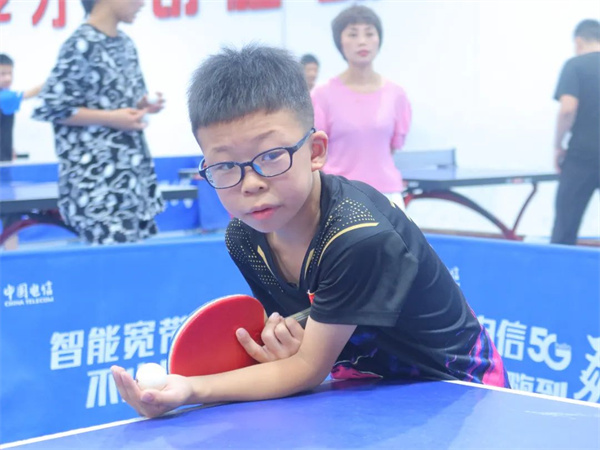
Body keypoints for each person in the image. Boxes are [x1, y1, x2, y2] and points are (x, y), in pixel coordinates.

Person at [111, 44, 509, 419]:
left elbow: (306, 368)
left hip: (456, 387)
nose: (250, 183)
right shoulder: (245, 238)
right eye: (226, 166)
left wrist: (190, 389)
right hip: (365, 389)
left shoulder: (357, 237)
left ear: (315, 151)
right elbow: (300, 349)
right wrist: (287, 345)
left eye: (271, 156)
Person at [31, 0, 165, 244]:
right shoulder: (79, 44)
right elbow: (52, 106)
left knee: (137, 261)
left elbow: (123, 104)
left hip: (132, 181)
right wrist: (112, 118)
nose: (142, 3)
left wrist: (143, 105)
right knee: (113, 263)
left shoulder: (126, 44)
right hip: (98, 188)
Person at [311, 5, 411, 208]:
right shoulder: (321, 95)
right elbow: (315, 151)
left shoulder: (396, 94)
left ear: (379, 39)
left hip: (387, 194)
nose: (362, 41)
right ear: (340, 41)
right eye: (353, 34)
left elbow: (391, 147)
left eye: (369, 33)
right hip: (339, 195)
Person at [551, 19, 600, 245]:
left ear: (578, 41)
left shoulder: (575, 66)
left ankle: (558, 268)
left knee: (565, 229)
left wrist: (558, 145)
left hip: (582, 157)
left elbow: (567, 109)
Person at [0, 53, 42, 162]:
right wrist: (54, 80)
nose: (8, 78)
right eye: (2, 74)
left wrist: (8, 148)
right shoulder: (5, 97)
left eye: (10, 73)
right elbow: (30, 93)